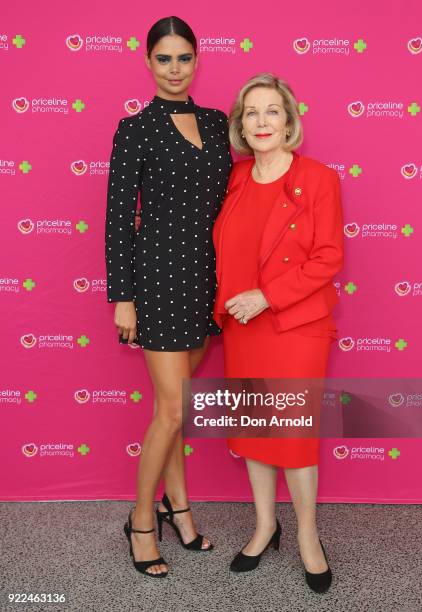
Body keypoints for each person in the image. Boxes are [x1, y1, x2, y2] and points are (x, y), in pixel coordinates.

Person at [104, 16, 232, 577]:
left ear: (197, 60)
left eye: (184, 58)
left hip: (206, 278)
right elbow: (116, 219)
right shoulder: (134, 129)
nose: (175, 69)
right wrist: (122, 297)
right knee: (176, 409)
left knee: (172, 410)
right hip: (155, 279)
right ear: (148, 62)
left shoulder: (218, 121)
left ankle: (178, 509)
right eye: (164, 59)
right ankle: (139, 522)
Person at [212, 73, 343, 593]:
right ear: (240, 124)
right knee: (254, 431)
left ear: (289, 121)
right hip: (242, 327)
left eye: (272, 111)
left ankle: (308, 536)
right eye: (251, 112)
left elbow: (329, 256)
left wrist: (267, 296)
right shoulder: (235, 177)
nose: (261, 122)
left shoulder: (318, 178)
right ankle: (266, 526)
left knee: (292, 433)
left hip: (294, 324)